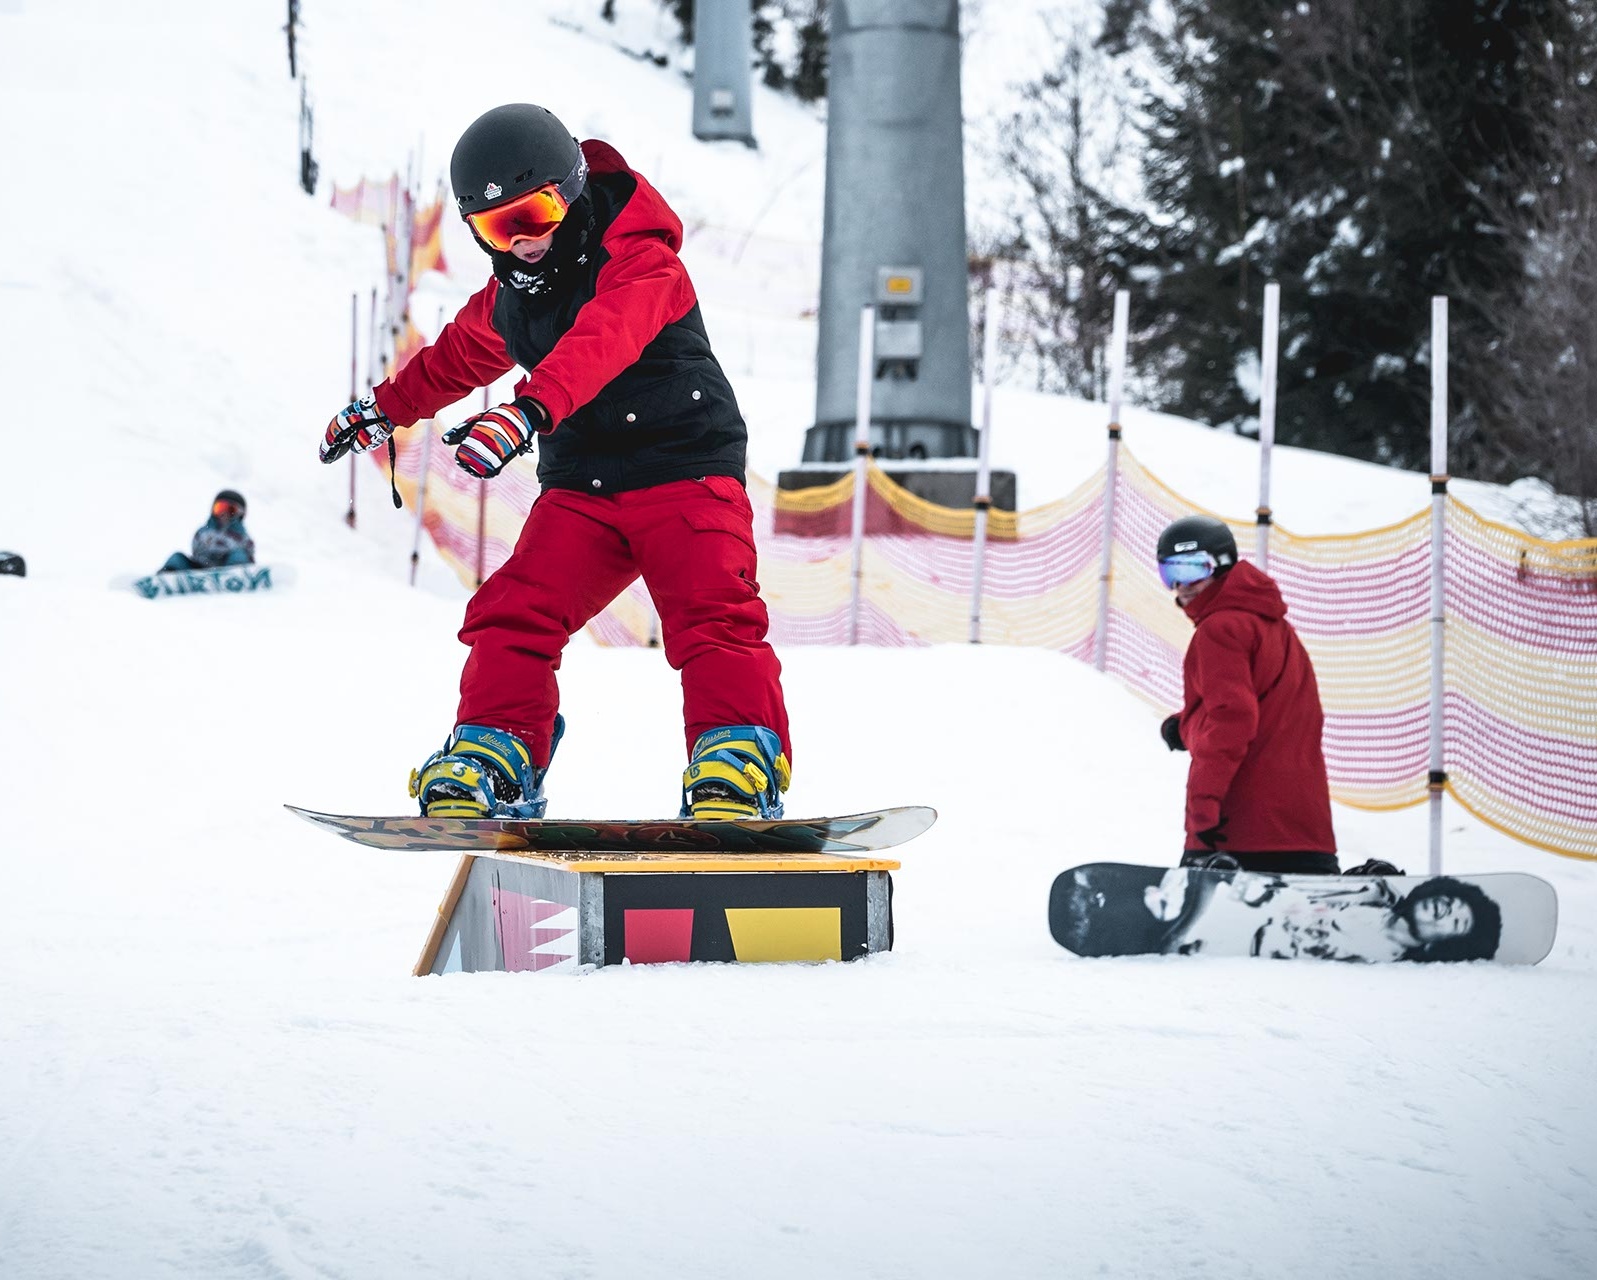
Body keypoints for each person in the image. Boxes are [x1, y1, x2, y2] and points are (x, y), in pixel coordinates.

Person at [318, 103, 791, 823]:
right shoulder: (514, 295)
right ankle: (496, 750)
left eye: (534, 215)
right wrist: (385, 408)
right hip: (585, 485)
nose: (524, 243)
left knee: (711, 616)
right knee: (512, 611)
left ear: (569, 192)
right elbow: (455, 358)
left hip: (684, 469)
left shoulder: (641, 258)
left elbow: (604, 337)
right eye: (497, 228)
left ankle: (737, 758)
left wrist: (527, 411)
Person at [1155, 514, 1338, 874]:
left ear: (1220, 566)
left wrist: (1202, 816)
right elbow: (1271, 706)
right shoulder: (1276, 627)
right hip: (1303, 827)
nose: (1181, 585)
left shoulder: (1219, 629)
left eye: (1192, 569)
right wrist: (1188, 725)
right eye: (1169, 573)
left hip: (1240, 830)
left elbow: (1233, 721)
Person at [160, 490, 255, 573]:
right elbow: (196, 550)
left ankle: (236, 576)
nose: (223, 513)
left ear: (240, 513)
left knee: (238, 555)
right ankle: (165, 579)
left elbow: (249, 559)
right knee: (177, 558)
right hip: (201, 571)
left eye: (230, 510)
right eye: (219, 508)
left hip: (227, 569)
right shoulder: (203, 532)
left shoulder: (243, 538)